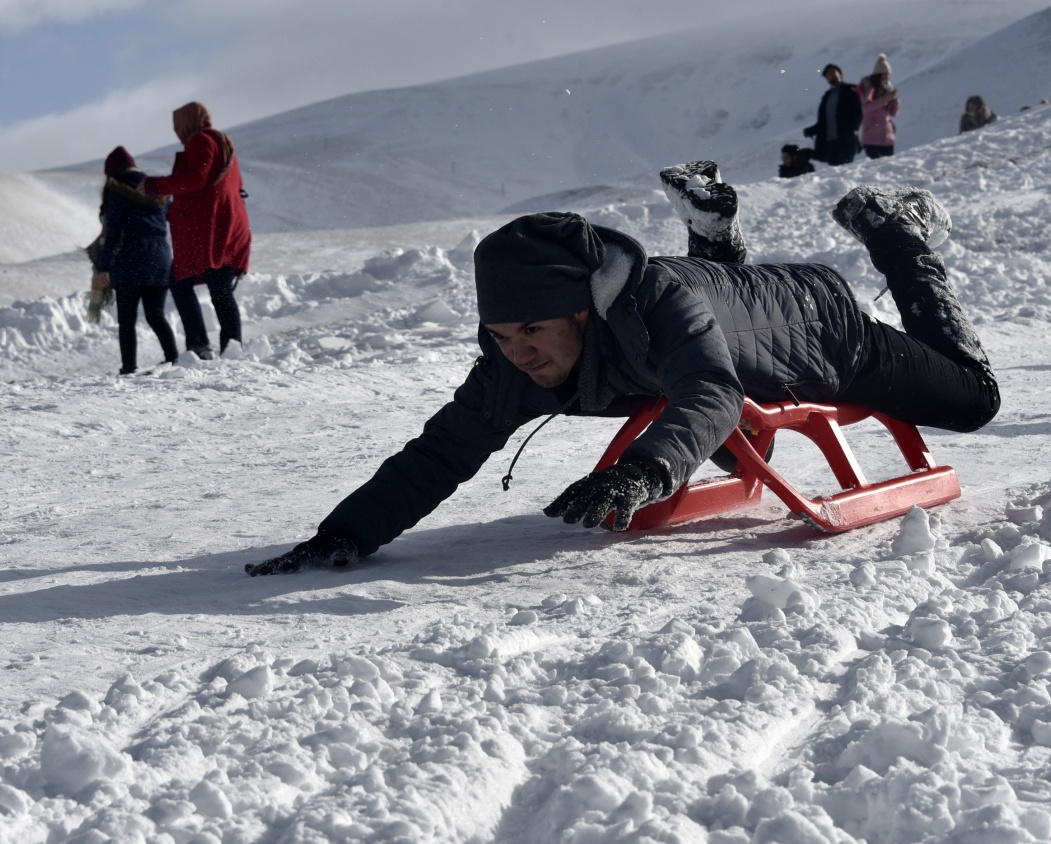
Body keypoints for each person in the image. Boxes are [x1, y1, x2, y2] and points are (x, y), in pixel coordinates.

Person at [246, 160, 1000, 575]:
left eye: (533, 331)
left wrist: (643, 471)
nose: (518, 352)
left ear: (583, 311)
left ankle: (895, 232)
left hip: (816, 328)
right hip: (715, 316)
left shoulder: (654, 305)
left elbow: (711, 392)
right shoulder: (516, 353)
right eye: (500, 334)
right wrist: (345, 532)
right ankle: (717, 234)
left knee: (974, 399)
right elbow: (444, 447)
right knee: (702, 333)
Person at [141, 102, 251, 360]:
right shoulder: (222, 142)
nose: (178, 132)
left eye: (178, 126)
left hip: (210, 230)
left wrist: (155, 186)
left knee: (181, 283)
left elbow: (197, 178)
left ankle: (201, 346)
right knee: (219, 286)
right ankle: (231, 347)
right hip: (228, 226)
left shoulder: (200, 140)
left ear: (188, 122)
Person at [93, 147, 178, 375]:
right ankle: (174, 358)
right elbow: (173, 217)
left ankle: (129, 367)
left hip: (130, 259)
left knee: (127, 320)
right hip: (160, 257)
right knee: (156, 315)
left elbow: (114, 233)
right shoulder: (155, 188)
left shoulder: (117, 191)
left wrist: (104, 267)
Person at [802, 64, 863, 166]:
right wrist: (812, 130)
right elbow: (823, 122)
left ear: (840, 74)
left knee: (847, 171)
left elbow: (858, 113)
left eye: (834, 72)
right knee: (835, 173)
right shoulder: (826, 97)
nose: (831, 75)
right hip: (830, 142)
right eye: (828, 74)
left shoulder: (851, 90)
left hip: (846, 139)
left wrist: (853, 129)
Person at [858, 54, 900, 159]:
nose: (886, 77)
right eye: (884, 74)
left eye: (888, 75)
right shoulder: (869, 89)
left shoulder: (888, 88)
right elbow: (866, 108)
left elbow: (893, 113)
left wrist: (895, 101)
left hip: (887, 137)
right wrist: (885, 99)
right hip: (871, 138)